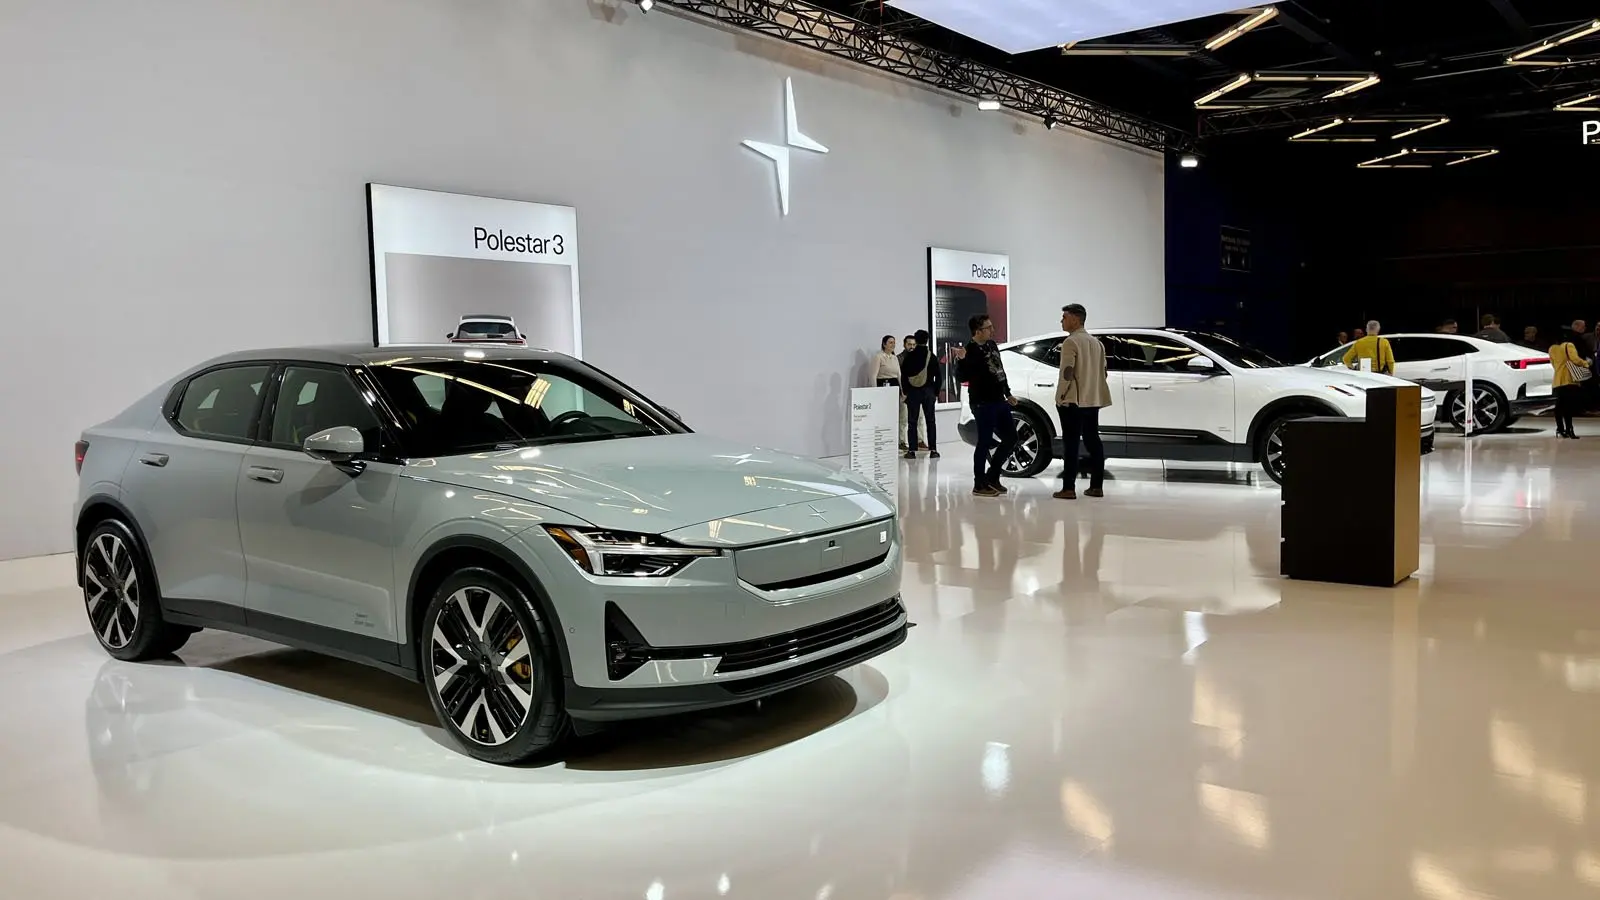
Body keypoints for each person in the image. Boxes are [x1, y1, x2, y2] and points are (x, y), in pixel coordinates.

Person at [954, 315, 1017, 498]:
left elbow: (999, 370)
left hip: (999, 400)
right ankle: (979, 483)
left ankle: (993, 475)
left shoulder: (992, 345)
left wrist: (1008, 393)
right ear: (978, 331)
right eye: (988, 328)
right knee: (984, 442)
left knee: (1011, 438)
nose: (992, 330)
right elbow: (961, 377)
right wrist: (962, 360)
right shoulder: (969, 350)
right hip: (982, 403)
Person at [1053, 304, 1111, 501]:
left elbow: (1067, 373)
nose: (1061, 321)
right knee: (1093, 440)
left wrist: (1060, 396)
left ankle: (1068, 488)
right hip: (1092, 400)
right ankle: (1096, 486)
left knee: (1071, 444)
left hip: (1073, 401)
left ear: (1075, 319)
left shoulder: (1071, 342)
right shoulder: (1097, 344)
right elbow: (1104, 372)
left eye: (1064, 317)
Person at [901, 329, 940, 459]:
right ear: (927, 340)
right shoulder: (932, 356)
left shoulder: (909, 357)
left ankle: (912, 450)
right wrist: (935, 392)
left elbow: (903, 376)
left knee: (912, 421)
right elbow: (939, 377)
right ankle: (933, 450)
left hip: (913, 392)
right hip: (928, 391)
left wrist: (906, 391)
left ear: (916, 341)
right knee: (931, 421)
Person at [1550, 327, 1591, 439]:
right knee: (1568, 407)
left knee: (1559, 407)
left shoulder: (1552, 348)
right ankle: (1570, 430)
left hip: (1557, 380)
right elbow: (1575, 359)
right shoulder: (1569, 345)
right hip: (1569, 380)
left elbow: (1553, 364)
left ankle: (1560, 429)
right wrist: (1586, 363)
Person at [874, 335, 906, 450]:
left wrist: (903, 391)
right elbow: (873, 376)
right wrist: (875, 392)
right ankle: (883, 441)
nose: (893, 345)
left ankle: (897, 441)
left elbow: (899, 375)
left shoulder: (894, 358)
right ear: (884, 344)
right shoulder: (879, 357)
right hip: (883, 387)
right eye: (890, 342)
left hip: (895, 388)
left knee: (898, 415)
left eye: (894, 342)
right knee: (884, 416)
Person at [899, 334, 928, 451]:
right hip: (905, 393)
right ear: (904, 345)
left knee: (920, 417)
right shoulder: (899, 358)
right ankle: (901, 442)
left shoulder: (919, 357)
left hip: (918, 393)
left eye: (913, 344)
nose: (911, 346)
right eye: (909, 344)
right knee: (904, 418)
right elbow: (899, 377)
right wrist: (903, 392)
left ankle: (920, 440)